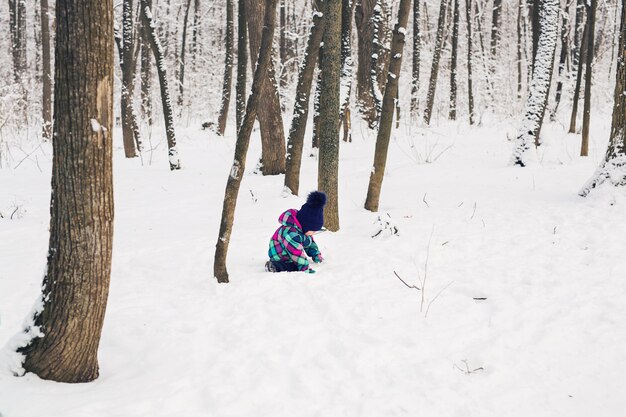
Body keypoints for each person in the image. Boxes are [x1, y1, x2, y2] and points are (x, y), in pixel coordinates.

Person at [265, 191, 326, 274]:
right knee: (295, 266)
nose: (314, 233)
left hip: (290, 251)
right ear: (306, 226)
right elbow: (296, 253)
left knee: (305, 243)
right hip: (280, 256)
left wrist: (316, 255)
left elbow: (310, 243)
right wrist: (305, 269)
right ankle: (274, 266)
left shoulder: (303, 230)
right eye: (313, 230)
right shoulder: (291, 233)